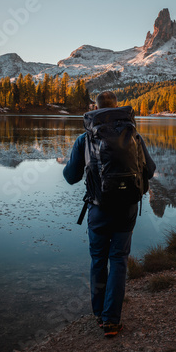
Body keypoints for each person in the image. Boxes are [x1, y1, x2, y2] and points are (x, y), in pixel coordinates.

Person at [63, 91, 156, 337]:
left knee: (98, 260)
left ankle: (98, 313)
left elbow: (71, 177)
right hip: (127, 209)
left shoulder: (85, 139)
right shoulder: (133, 135)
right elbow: (151, 171)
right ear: (118, 108)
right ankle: (111, 320)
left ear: (95, 108)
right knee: (118, 260)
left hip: (98, 208)